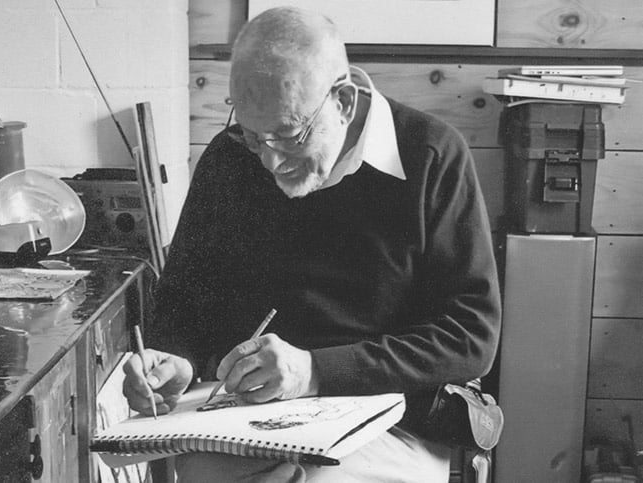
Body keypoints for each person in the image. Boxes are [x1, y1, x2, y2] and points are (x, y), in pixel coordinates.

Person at [122, 6, 501, 482]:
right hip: (243, 419)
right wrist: (174, 358)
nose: (271, 162)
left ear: (343, 100)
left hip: (388, 420)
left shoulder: (430, 155)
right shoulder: (229, 158)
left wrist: (316, 371)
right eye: (254, 137)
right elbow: (182, 301)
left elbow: (471, 335)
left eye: (289, 136)